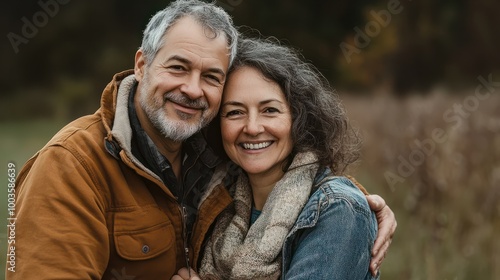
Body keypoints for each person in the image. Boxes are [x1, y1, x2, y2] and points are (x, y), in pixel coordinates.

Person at [8, 0, 395, 279]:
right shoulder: (71, 166)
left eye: (211, 77)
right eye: (178, 67)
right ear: (142, 64)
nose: (192, 90)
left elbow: (286, 180)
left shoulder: (209, 150)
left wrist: (353, 204)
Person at [173, 37, 384, 280]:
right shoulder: (213, 203)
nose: (252, 128)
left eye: (269, 110)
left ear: (299, 118)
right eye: (234, 112)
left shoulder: (338, 211)